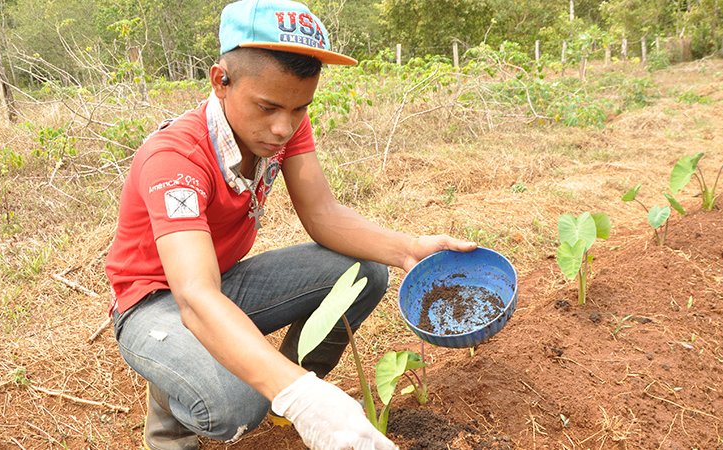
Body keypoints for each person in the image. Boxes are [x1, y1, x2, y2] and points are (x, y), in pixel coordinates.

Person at [104, 0, 477, 449]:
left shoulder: (284, 124)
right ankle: (174, 410)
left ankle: (294, 388)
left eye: (300, 108)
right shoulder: (176, 158)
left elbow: (323, 215)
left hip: (218, 281)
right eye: (268, 107)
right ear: (220, 80)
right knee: (235, 404)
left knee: (363, 272)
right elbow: (194, 295)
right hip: (154, 300)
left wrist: (409, 249)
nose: (284, 127)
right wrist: (299, 395)